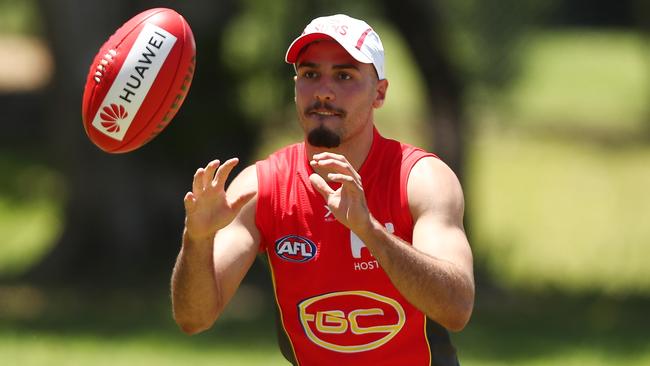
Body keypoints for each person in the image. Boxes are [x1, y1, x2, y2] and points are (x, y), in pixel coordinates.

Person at [171, 14, 474, 366]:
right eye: (310, 74)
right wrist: (197, 240)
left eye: (344, 76)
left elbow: (457, 309)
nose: (323, 91)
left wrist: (370, 231)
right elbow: (194, 318)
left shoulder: (421, 179)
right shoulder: (260, 188)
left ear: (380, 93)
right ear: (296, 86)